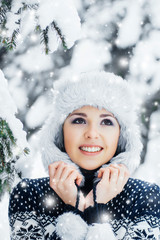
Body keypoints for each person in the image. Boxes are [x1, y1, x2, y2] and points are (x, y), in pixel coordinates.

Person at [8, 71, 160, 239]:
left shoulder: (144, 196)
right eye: (79, 120)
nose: (92, 133)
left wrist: (93, 212)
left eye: (107, 122)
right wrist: (74, 208)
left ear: (121, 135)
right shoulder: (29, 194)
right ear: (60, 131)